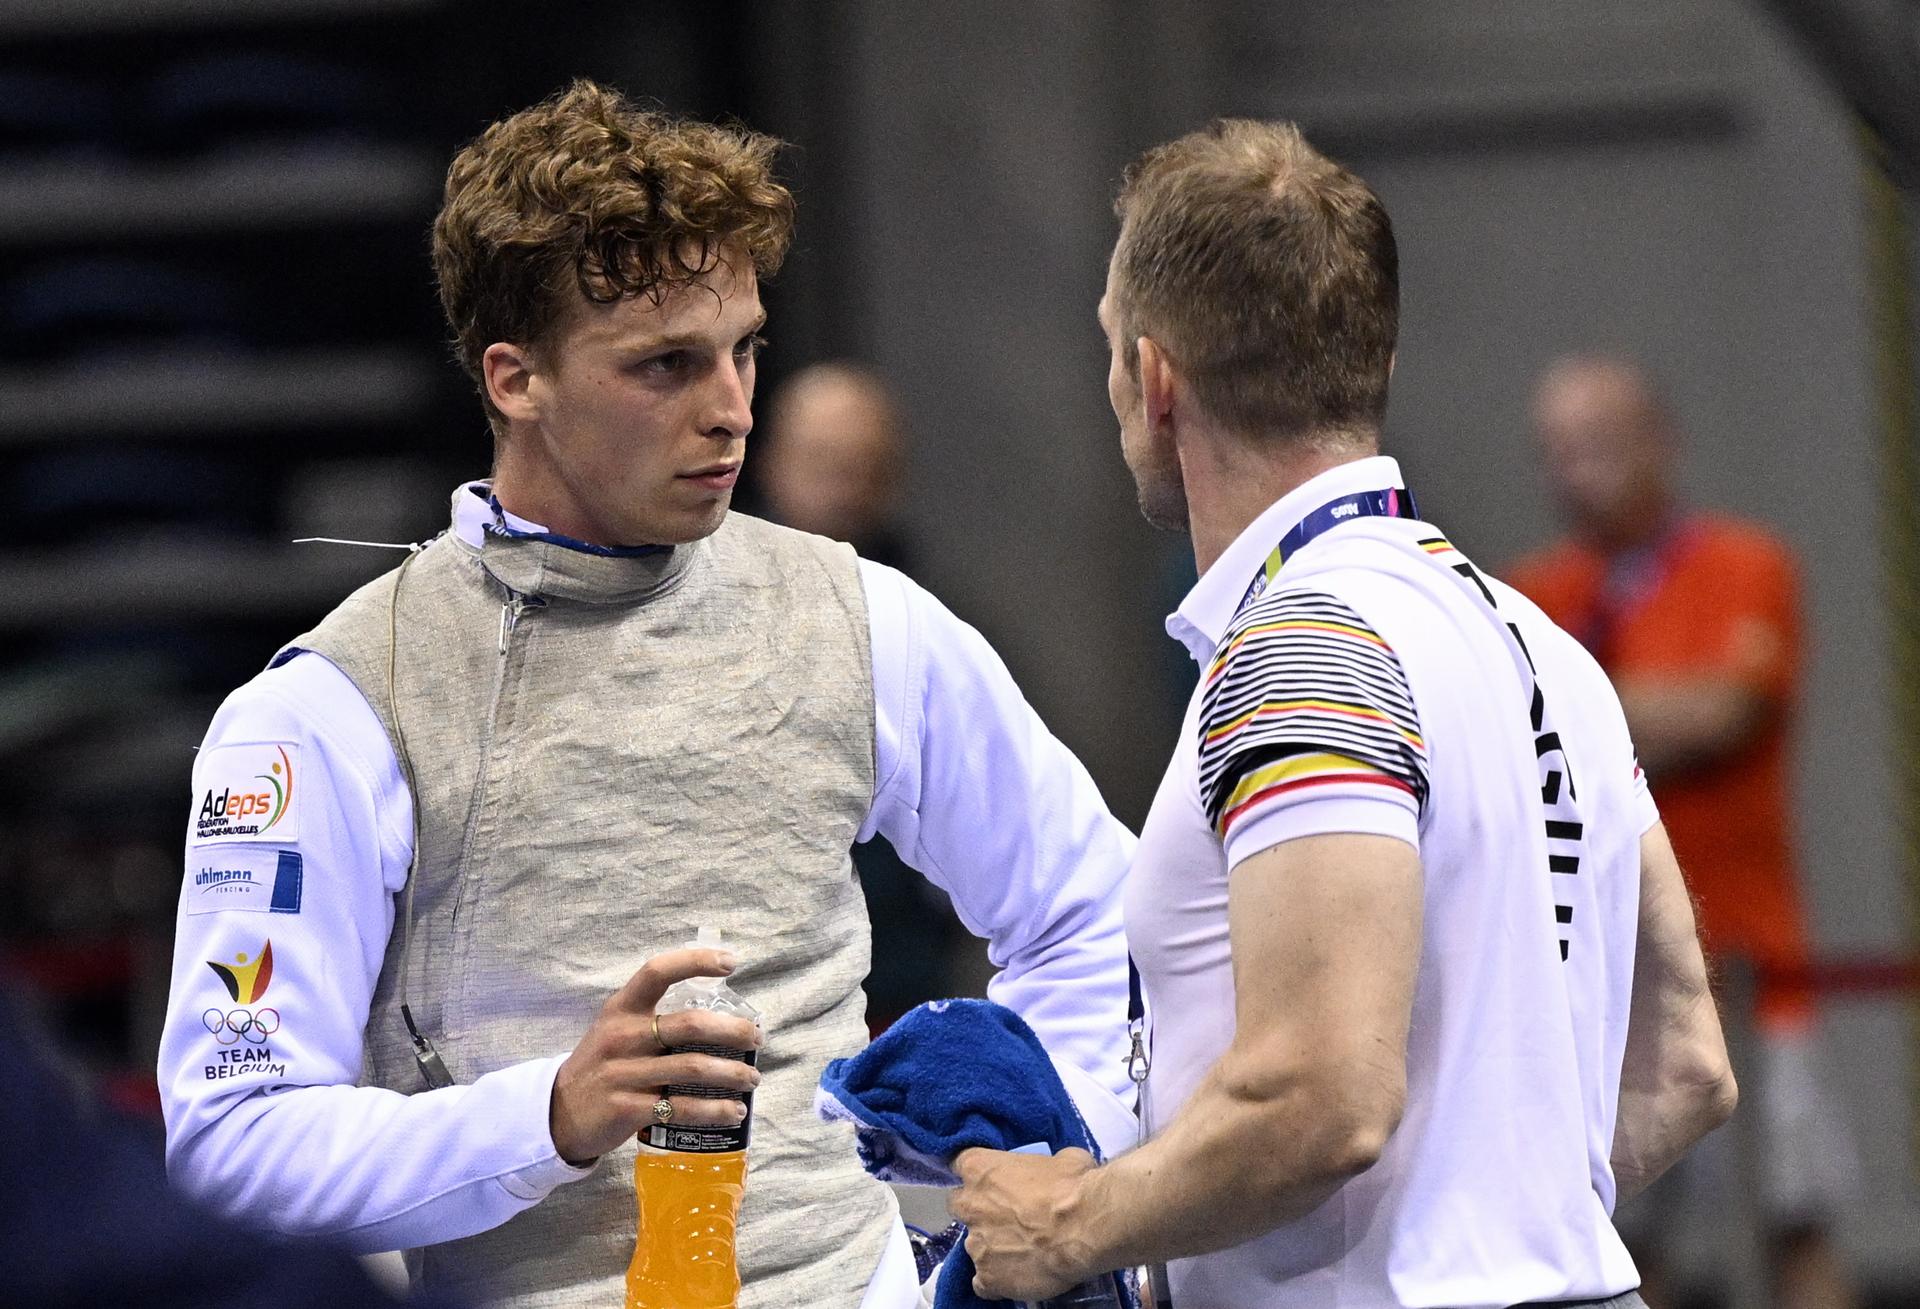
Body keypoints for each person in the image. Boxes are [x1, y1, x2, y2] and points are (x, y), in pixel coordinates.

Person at [156, 81, 1136, 1309]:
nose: (730, 409)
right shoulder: (336, 711)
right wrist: (548, 1116)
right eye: (665, 364)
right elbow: (231, 1141)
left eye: (744, 350)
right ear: (516, 379)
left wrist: (1037, 1158)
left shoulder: (859, 618)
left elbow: (1098, 913)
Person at [950, 120, 1738, 1308]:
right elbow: (1685, 1067)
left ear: (1155, 381)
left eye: (1111, 351)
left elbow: (1321, 1096)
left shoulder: (1304, 652)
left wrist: (1075, 1225)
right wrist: (1498, 1223)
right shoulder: (1544, 645)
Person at [1509, 355, 1858, 1309]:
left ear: (1661, 443)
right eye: (1560, 454)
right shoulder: (1528, 591)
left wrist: (1572, 715)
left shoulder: (1747, 565)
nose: (1580, 474)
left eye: (1603, 448)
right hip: (1598, 990)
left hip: (1752, 972)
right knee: (1616, 1255)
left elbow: (1724, 711)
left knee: (1796, 1229)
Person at [761, 362, 971, 1030]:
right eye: (823, 464)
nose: (843, 491)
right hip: (762, 994)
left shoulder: (932, 628)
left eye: (864, 467)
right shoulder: (720, 615)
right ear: (770, 464)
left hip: (900, 989)